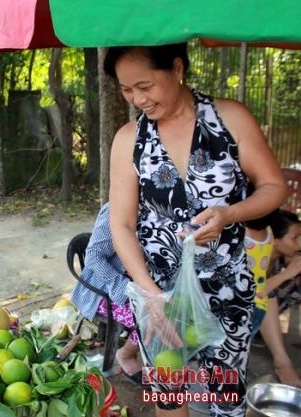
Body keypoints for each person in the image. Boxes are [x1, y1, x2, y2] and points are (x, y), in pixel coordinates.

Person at [104, 42, 288, 417]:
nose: (138, 99)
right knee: (168, 393)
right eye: (126, 89)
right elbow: (120, 225)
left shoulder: (230, 119)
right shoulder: (128, 140)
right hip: (162, 295)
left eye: (145, 85)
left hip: (226, 291)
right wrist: (151, 295)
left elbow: (273, 187)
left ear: (176, 68)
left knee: (225, 392)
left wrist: (230, 213)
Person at [70, 203, 141, 379]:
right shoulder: (117, 209)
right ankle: (126, 354)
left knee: (170, 314)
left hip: (134, 287)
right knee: (150, 320)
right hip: (102, 293)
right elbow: (93, 256)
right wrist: (123, 286)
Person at [257, 209, 301, 387]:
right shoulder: (254, 253)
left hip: (258, 318)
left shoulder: (281, 259)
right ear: (275, 240)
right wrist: (286, 275)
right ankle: (282, 363)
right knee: (270, 295)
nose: (298, 243)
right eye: (294, 237)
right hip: (237, 317)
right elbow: (248, 295)